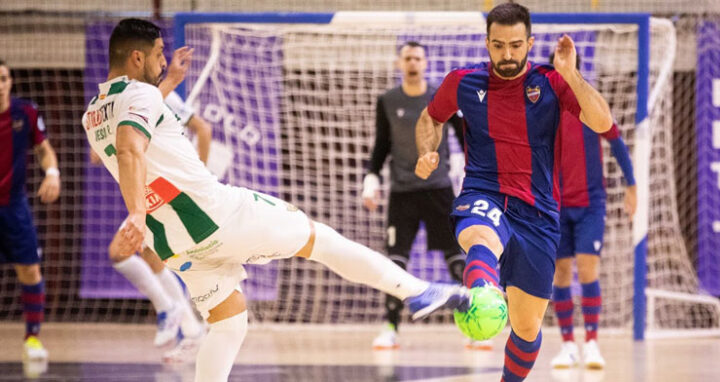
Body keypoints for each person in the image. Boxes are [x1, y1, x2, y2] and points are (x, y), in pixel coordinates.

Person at [82, 18, 469, 382]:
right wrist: (133, 211)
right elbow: (130, 146)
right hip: (218, 213)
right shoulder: (140, 95)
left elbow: (132, 131)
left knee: (228, 322)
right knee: (321, 240)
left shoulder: (94, 114)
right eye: (158, 54)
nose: (164, 60)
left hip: (172, 239)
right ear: (137, 57)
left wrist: (168, 84)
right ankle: (417, 292)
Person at [414, 3, 613, 381]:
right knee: (481, 235)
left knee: (526, 328)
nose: (507, 55)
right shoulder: (464, 82)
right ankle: (481, 292)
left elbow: (603, 121)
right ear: (487, 43)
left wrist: (570, 74)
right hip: (483, 192)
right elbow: (431, 117)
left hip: (537, 212)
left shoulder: (552, 82)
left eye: (516, 46)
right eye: (499, 45)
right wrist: (428, 149)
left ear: (530, 43)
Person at [363, 41, 484, 350]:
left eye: (418, 57)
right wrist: (371, 178)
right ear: (399, 64)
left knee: (456, 259)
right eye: (407, 58)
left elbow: (462, 136)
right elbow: (381, 145)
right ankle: (390, 326)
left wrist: (477, 172)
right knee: (395, 262)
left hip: (439, 189)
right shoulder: (388, 100)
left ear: (426, 63)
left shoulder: (439, 97)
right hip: (403, 192)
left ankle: (472, 326)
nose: (413, 62)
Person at [88, 85, 212, 355]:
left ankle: (173, 311)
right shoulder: (123, 101)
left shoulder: (161, 96)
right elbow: (97, 154)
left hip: (172, 188)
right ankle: (192, 329)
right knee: (149, 256)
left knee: (123, 252)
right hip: (153, 191)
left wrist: (198, 178)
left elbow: (203, 129)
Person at [548, 52, 636, 370]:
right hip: (555, 205)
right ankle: (568, 344)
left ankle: (592, 344)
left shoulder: (591, 102)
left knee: (587, 270)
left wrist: (632, 184)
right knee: (559, 273)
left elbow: (615, 140)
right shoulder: (545, 107)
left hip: (590, 204)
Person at [0, 59, 60, 363]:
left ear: (10, 81)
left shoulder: (26, 112)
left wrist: (52, 174)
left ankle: (32, 338)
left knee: (30, 270)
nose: (0, 85)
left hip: (14, 207)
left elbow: (44, 149)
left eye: (3, 78)